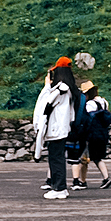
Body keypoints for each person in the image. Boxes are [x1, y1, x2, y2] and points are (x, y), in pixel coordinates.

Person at [33, 58, 78, 200]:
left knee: (56, 159)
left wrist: (47, 86)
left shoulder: (61, 89)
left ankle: (59, 187)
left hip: (56, 129)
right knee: (57, 158)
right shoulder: (68, 89)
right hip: (61, 129)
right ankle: (59, 187)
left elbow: (44, 103)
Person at [72, 83, 111, 189]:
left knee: (83, 158)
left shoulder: (90, 104)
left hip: (91, 134)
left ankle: (82, 180)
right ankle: (106, 177)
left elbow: (87, 119)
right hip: (102, 133)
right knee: (97, 157)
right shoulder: (103, 101)